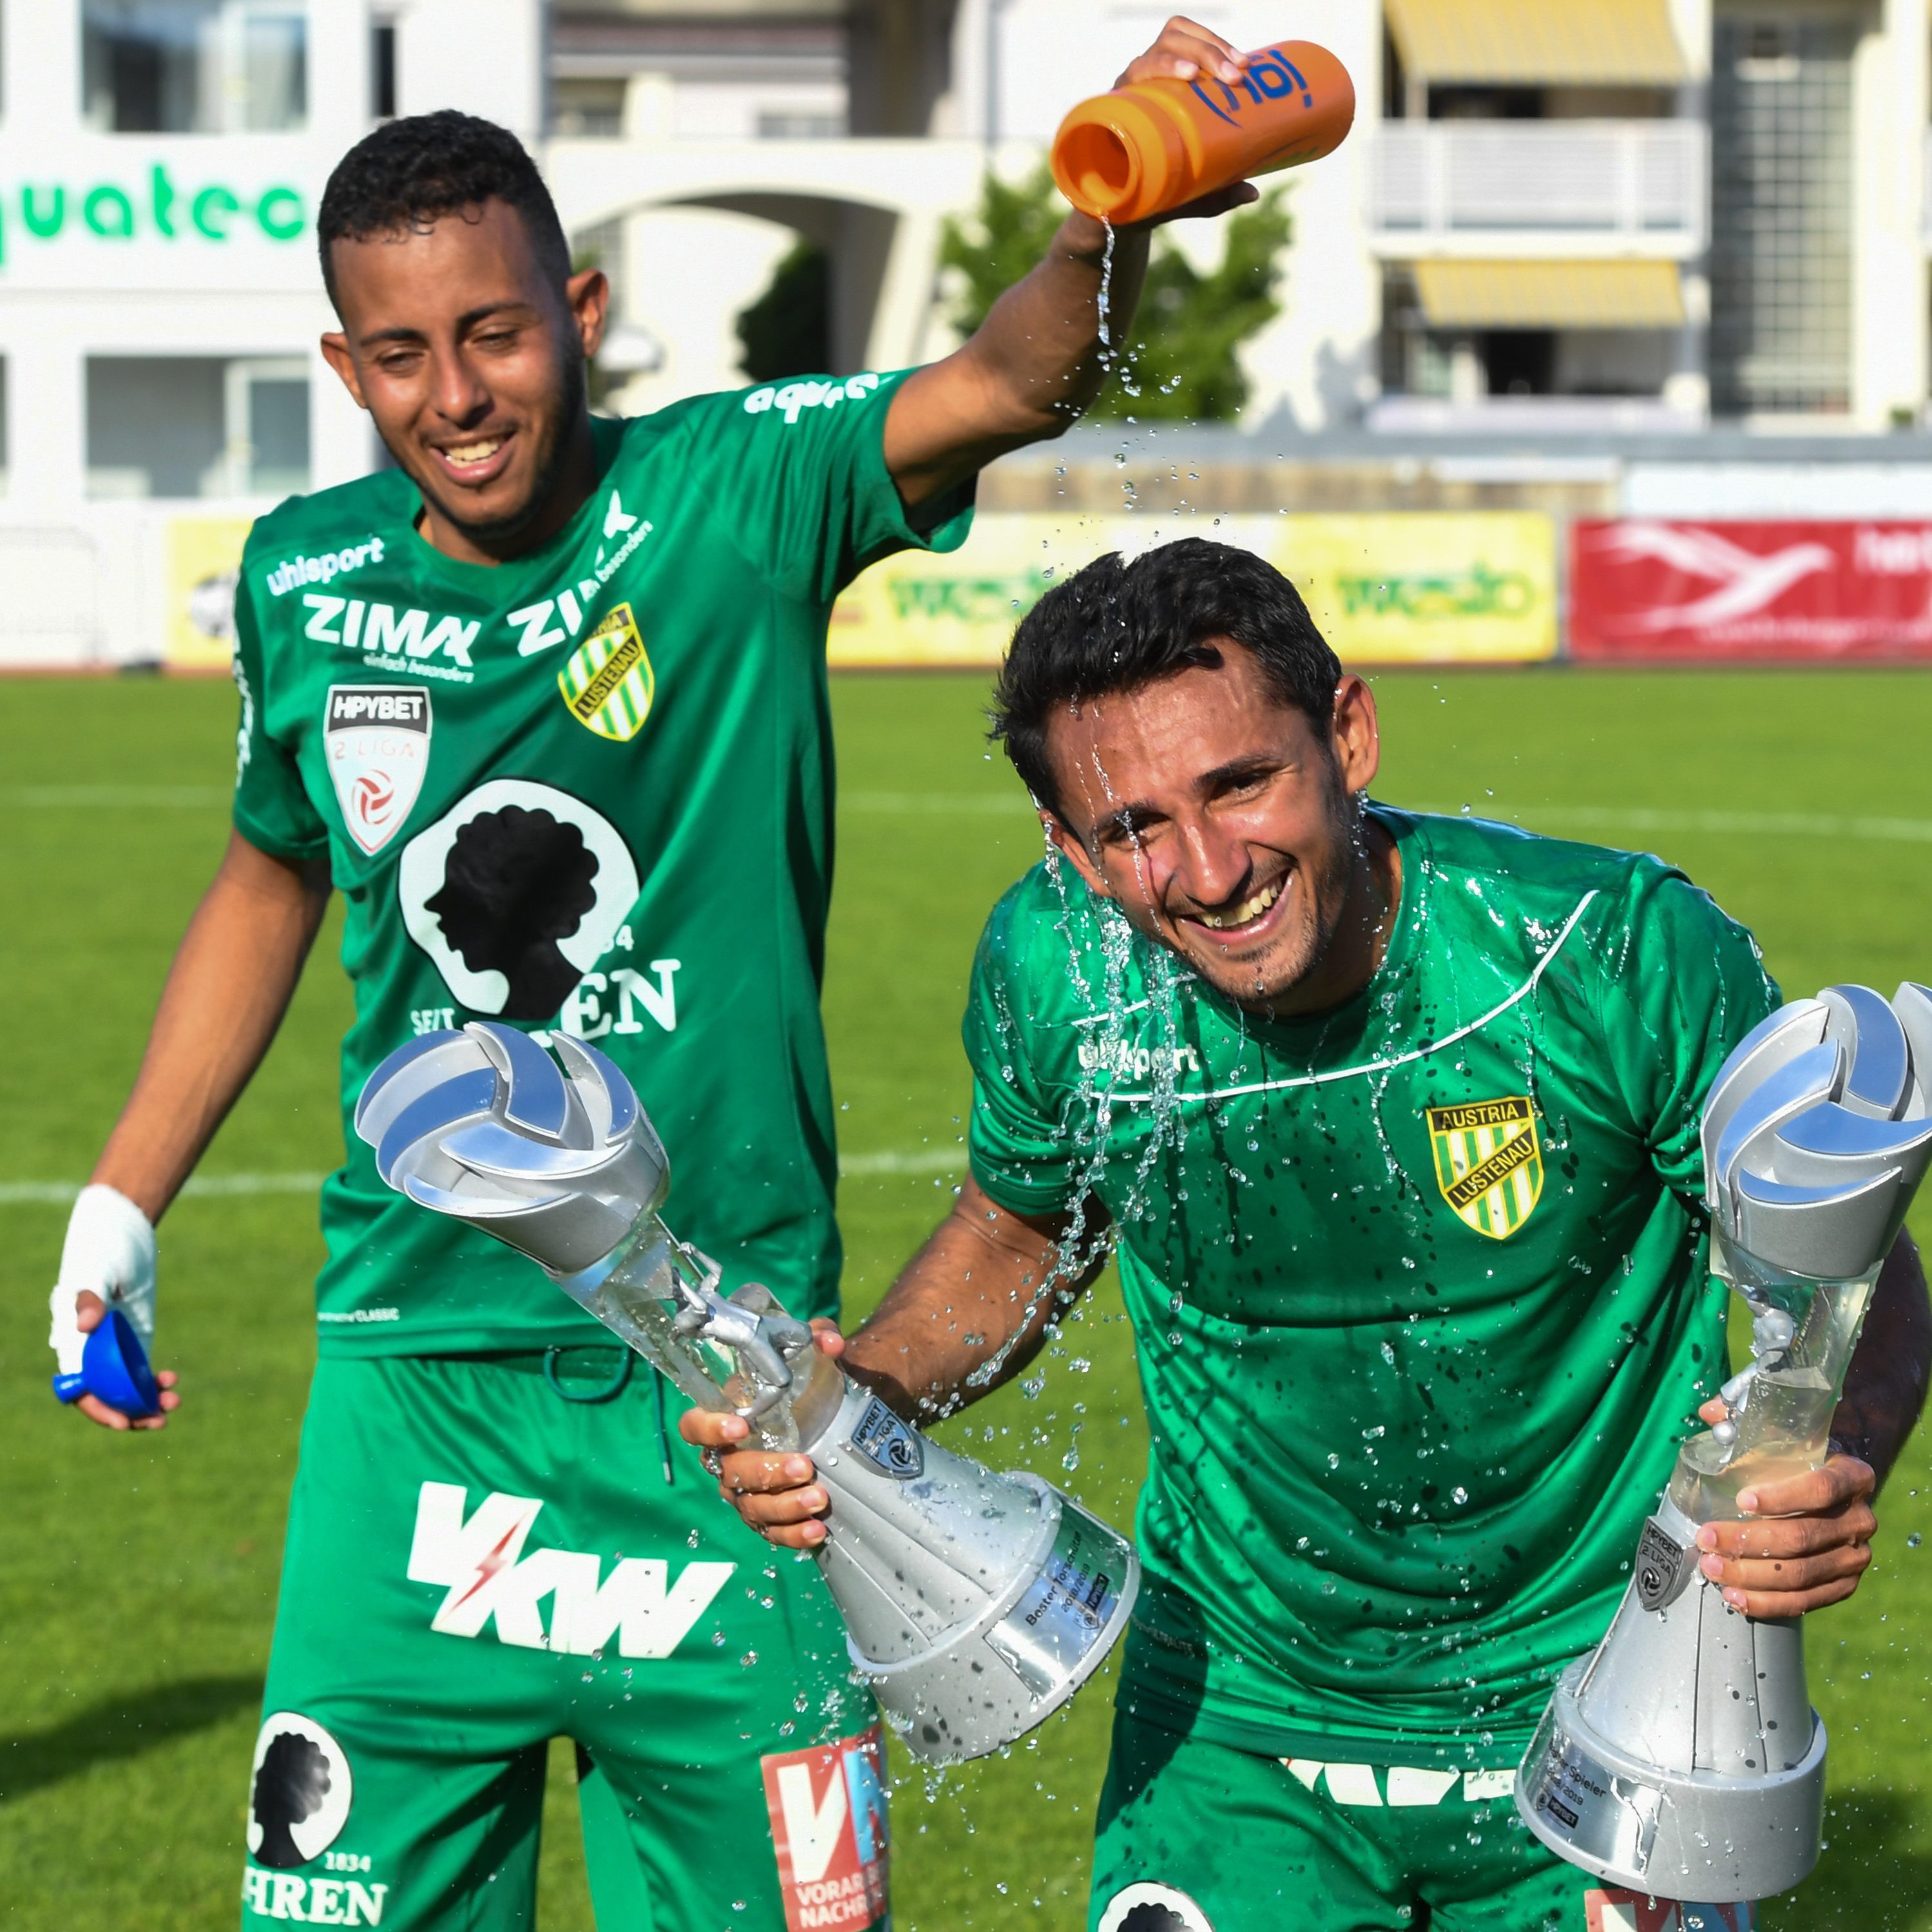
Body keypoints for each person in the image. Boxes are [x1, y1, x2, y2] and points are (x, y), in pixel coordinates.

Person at [45, 20, 1270, 1928]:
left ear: (583, 311)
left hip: (734, 1399)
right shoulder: (301, 576)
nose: (453, 392)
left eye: (496, 333)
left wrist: (1110, 223)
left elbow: (1015, 375)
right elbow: (273, 873)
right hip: (414, 1390)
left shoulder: (739, 493)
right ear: (341, 365)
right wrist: (120, 1206)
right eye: (397, 352)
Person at [687, 539, 1932, 1932]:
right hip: (1233, 1717)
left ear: (1347, 731)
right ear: (1067, 848)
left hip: (1609, 1699)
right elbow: (1019, 1229)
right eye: (1134, 827)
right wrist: (863, 1409)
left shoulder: (1605, 953)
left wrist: (1826, 1464)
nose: (1208, 870)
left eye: (1241, 784)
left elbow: (1843, 1256)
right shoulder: (1058, 975)